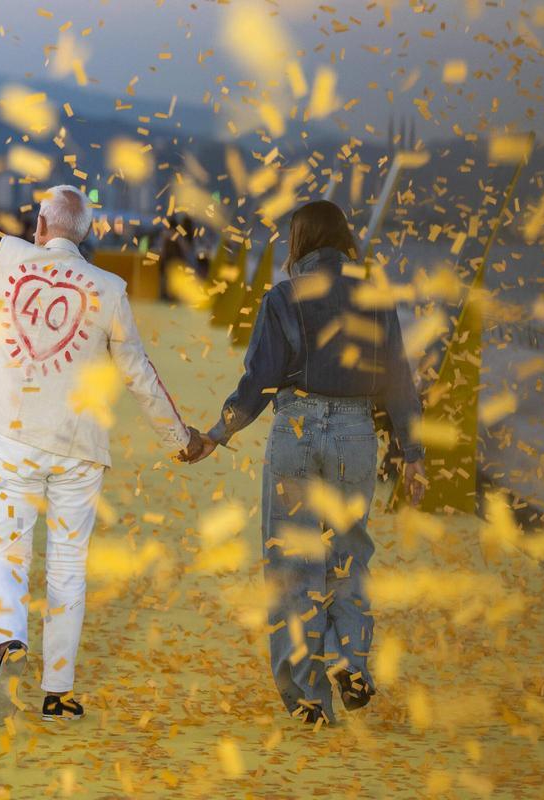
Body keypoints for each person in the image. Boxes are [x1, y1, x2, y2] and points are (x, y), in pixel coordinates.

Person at [0, 167, 203, 724]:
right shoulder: (109, 289)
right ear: (85, 234)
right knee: (69, 564)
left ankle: (9, 642)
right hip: (79, 447)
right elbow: (139, 373)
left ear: (42, 224)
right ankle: (59, 691)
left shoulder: (9, 260)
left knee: (9, 549)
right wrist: (179, 439)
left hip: (16, 437)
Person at [183, 200, 427, 726]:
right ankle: (350, 659)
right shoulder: (376, 298)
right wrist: (413, 454)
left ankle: (309, 700)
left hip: (296, 429)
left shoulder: (283, 297)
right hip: (357, 434)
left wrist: (218, 433)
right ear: (342, 240)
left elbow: (260, 382)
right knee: (349, 555)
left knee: (295, 566)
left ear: (300, 243)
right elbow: (399, 380)